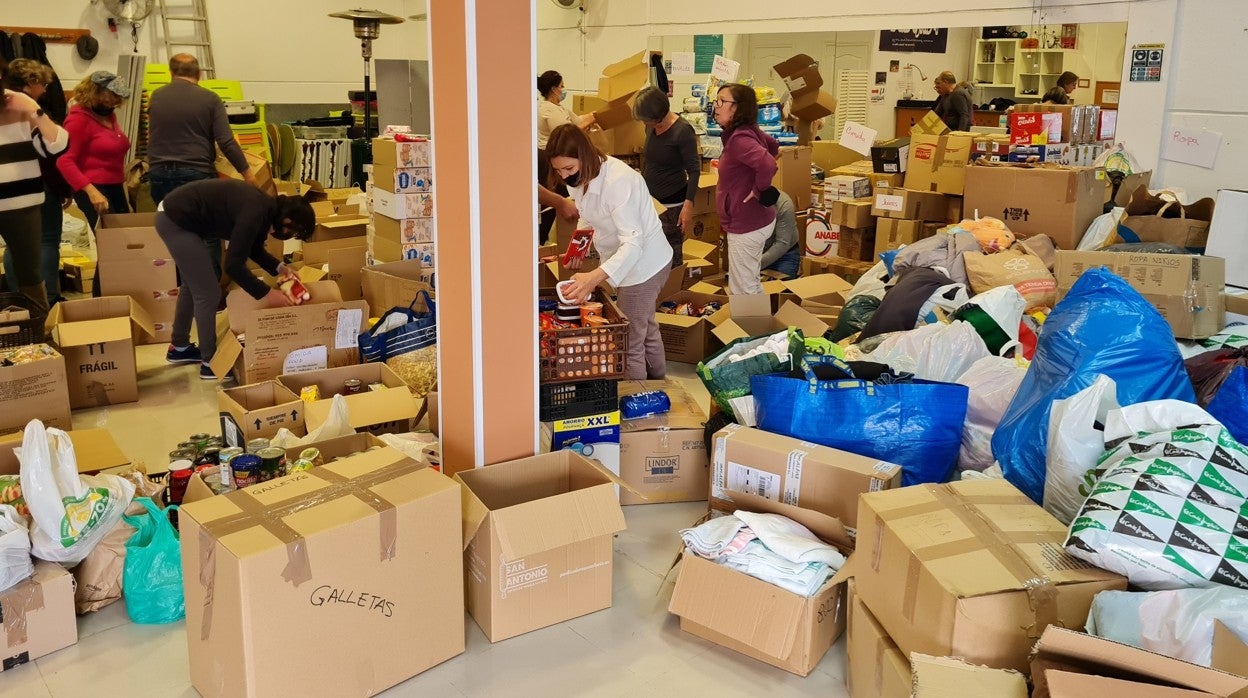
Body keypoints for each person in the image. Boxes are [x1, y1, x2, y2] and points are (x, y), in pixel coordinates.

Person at [546, 123, 671, 380]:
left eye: (569, 168)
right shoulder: (578, 178)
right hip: (626, 259)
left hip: (645, 264)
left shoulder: (618, 181)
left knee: (629, 341)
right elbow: (587, 216)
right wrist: (577, 249)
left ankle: (638, 405)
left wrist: (593, 278)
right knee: (644, 327)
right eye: (559, 171)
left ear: (585, 156)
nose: (565, 176)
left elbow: (633, 243)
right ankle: (660, 386)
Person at [156, 179, 315, 380]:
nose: (289, 235)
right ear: (287, 221)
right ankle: (210, 363)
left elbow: (253, 248)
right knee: (208, 292)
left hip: (178, 217)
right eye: (292, 232)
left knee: (193, 284)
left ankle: (179, 348)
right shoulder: (256, 212)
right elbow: (233, 265)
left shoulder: (265, 210)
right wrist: (266, 294)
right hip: (175, 219)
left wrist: (280, 268)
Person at [148, 54, 257, 281]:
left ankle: (179, 289)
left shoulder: (156, 97)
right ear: (199, 74)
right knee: (208, 235)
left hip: (159, 175)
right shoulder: (210, 99)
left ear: (171, 73)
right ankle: (209, 294)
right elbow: (226, 141)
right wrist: (247, 173)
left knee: (174, 232)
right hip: (195, 175)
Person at [0, 78, 68, 311]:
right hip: (22, 200)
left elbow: (56, 145)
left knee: (29, 272)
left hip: (22, 202)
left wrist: (33, 109)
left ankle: (38, 329)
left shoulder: (18, 104)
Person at [713, 82, 779, 296]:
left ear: (738, 108)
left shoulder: (740, 139)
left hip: (747, 222)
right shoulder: (746, 131)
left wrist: (758, 188)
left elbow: (768, 163)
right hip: (754, 219)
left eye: (722, 101)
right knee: (748, 282)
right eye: (717, 100)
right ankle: (757, 324)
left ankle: (750, 328)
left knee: (742, 287)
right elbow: (773, 146)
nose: (716, 105)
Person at [58, 72, 132, 258]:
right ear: (95, 92)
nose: (116, 100)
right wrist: (91, 191)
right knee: (112, 247)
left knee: (123, 246)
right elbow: (65, 160)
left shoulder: (109, 117)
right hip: (94, 189)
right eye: (112, 95)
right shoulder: (78, 120)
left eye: (118, 96)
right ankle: (104, 288)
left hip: (114, 187)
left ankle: (123, 286)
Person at [633, 86, 699, 267]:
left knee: (671, 257)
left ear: (658, 115)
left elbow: (694, 170)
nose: (646, 125)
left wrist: (688, 205)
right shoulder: (650, 127)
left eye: (648, 121)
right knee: (649, 255)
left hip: (672, 206)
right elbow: (650, 159)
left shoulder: (682, 131)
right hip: (650, 202)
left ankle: (673, 293)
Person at [536, 70, 595, 240]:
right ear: (554, 89)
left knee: (564, 196)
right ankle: (543, 239)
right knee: (553, 200)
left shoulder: (559, 108)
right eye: (562, 86)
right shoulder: (548, 109)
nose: (564, 90)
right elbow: (565, 136)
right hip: (549, 159)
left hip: (558, 158)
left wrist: (595, 116)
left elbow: (578, 121)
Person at [760, 192, 800, 280]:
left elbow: (782, 243)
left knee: (783, 288)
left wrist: (754, 265)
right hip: (755, 252)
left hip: (784, 254)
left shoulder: (783, 204)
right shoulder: (740, 201)